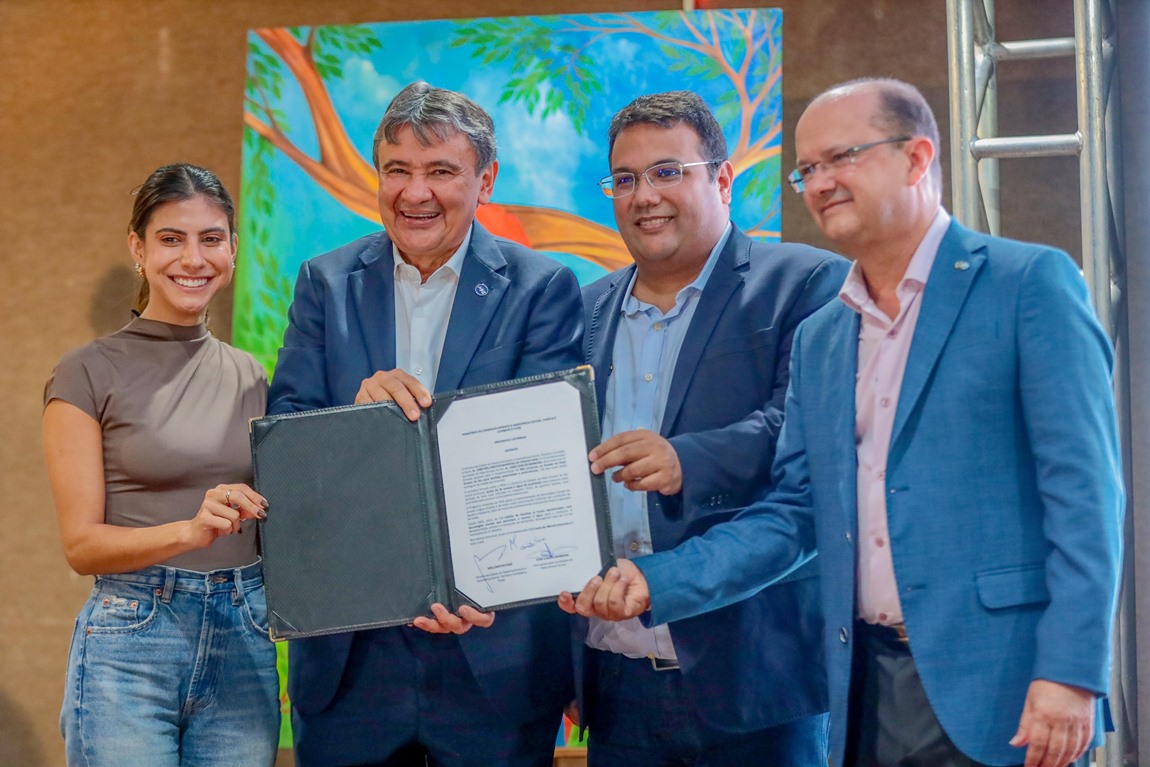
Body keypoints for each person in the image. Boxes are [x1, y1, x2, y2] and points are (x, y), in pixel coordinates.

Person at [565, 78, 1124, 767]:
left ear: (917, 157)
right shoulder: (826, 334)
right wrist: (663, 580)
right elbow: (798, 512)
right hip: (862, 685)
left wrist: (1070, 672)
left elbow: (1086, 497)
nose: (822, 181)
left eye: (843, 157)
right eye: (808, 169)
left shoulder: (1026, 283)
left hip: (1000, 685)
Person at [266, 81, 584, 766]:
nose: (415, 193)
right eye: (397, 170)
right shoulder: (325, 283)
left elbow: (544, 460)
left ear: (485, 180)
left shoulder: (541, 288)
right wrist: (356, 420)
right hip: (354, 656)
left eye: (440, 170)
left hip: (491, 649)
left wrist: (471, 579)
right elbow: (285, 439)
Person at [561, 90, 847, 766]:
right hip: (614, 679)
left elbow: (807, 431)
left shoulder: (806, 283)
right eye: (624, 179)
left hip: (757, 681)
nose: (643, 196)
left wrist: (688, 459)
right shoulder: (582, 310)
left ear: (722, 179)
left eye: (667, 171)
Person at [43, 163, 280, 766]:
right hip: (132, 639)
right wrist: (188, 532)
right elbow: (81, 547)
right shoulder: (85, 372)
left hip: (245, 636)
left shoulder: (252, 375)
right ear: (138, 248)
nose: (193, 259)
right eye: (171, 239)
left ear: (232, 248)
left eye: (211, 239)